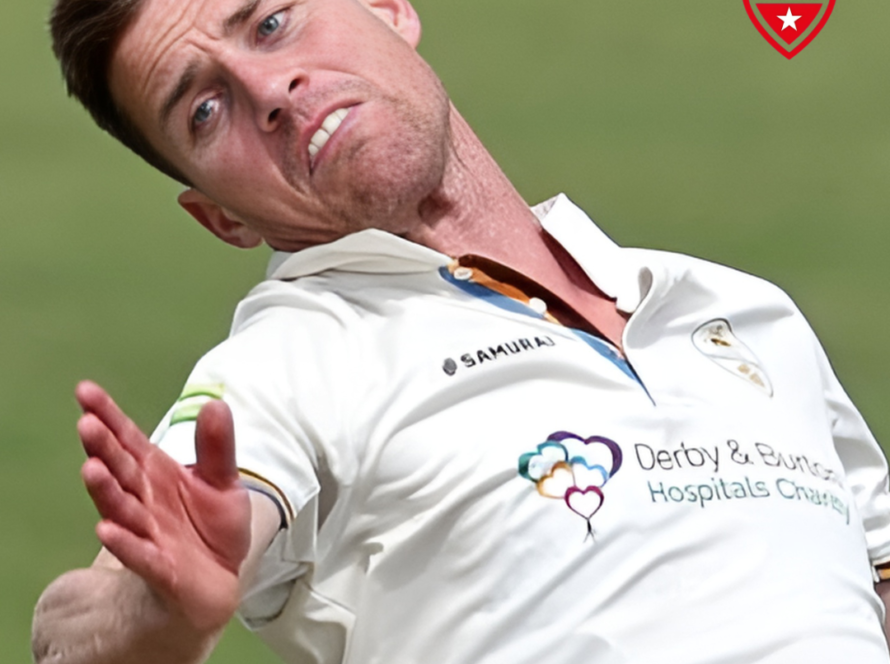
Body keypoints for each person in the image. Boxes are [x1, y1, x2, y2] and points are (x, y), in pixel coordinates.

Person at [31, 0, 890, 662]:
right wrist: (161, 610)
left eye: (271, 22)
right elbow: (72, 630)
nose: (267, 92)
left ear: (389, 7)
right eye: (204, 113)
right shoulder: (290, 359)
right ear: (220, 219)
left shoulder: (740, 310)